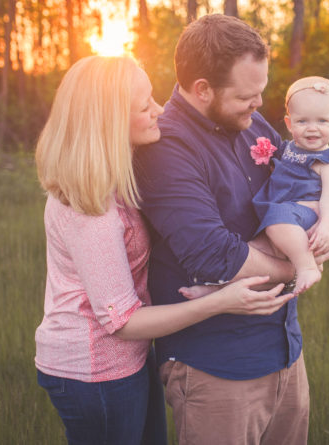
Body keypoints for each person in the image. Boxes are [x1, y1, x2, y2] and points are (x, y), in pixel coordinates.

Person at [33, 55, 295, 445]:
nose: (159, 110)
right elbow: (122, 323)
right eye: (144, 106)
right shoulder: (88, 208)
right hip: (93, 370)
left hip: (130, 361)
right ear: (109, 121)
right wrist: (221, 300)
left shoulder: (116, 178)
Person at [134, 15, 329, 445]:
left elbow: (309, 179)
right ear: (202, 89)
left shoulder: (253, 126)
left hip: (284, 348)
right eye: (247, 97)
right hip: (217, 367)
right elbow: (214, 255)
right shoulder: (167, 150)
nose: (259, 105)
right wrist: (295, 266)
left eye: (262, 92)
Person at [251, 76, 329, 294]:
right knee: (251, 250)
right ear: (289, 123)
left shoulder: (328, 161)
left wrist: (326, 225)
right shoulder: (289, 149)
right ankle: (213, 289)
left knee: (276, 222)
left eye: (322, 121)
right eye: (303, 121)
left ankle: (306, 267)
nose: (312, 129)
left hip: (303, 213)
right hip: (285, 212)